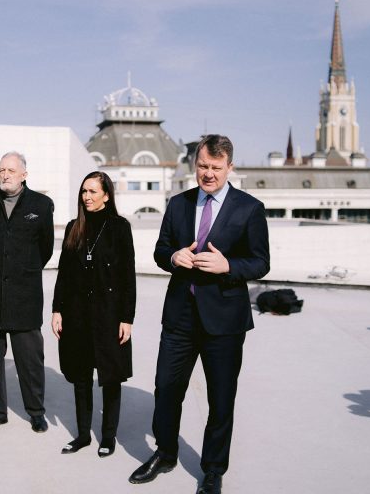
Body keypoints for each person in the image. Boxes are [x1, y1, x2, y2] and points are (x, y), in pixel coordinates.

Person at [129, 135, 270, 493]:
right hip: (180, 316)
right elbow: (161, 250)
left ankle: (213, 470)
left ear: (230, 167)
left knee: (220, 399)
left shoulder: (249, 208)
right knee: (166, 389)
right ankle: (165, 453)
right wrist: (173, 256)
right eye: (203, 166)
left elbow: (260, 262)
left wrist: (228, 266)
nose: (208, 174)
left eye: (216, 168)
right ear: (195, 164)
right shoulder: (178, 204)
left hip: (224, 322)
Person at [51, 171, 135, 458]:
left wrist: (127, 318)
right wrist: (57, 309)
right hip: (76, 315)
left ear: (106, 195)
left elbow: (128, 276)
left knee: (110, 377)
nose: (86, 197)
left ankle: (108, 436)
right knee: (81, 377)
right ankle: (83, 435)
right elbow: (63, 273)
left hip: (109, 315)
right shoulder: (74, 227)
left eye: (92, 191)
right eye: (84, 191)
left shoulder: (119, 227)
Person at [0, 151, 54, 433]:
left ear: (24, 175)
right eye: (1, 170)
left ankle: (36, 412)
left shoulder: (41, 205)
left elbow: (45, 249)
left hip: (24, 295)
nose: (5, 175)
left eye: (10, 170)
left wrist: (23, 270)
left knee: (30, 359)